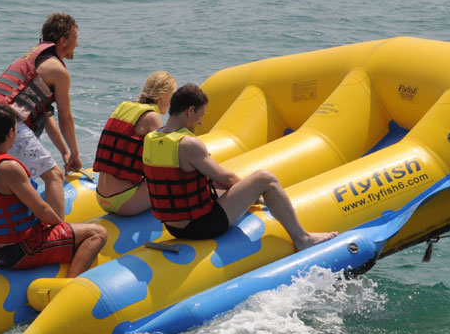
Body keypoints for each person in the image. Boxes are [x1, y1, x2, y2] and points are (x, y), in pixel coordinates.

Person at [142, 84, 338, 250]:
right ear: (190, 111)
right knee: (265, 179)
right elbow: (227, 180)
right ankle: (302, 238)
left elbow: (178, 181)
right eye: (201, 115)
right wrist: (252, 194)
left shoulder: (151, 139)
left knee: (221, 186)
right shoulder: (188, 144)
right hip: (201, 227)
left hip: (173, 227)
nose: (201, 122)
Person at [0, 104, 107, 276]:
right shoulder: (9, 168)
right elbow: (42, 210)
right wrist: (63, 229)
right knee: (98, 233)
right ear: (11, 132)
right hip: (20, 251)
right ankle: (71, 284)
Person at [0, 12, 82, 220]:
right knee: (54, 176)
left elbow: (46, 115)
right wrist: (76, 154)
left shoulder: (35, 58)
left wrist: (65, 153)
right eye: (75, 38)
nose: (77, 44)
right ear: (63, 40)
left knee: (18, 177)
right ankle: (60, 237)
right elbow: (65, 117)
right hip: (6, 121)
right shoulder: (58, 71)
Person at [92, 71, 176, 216]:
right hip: (125, 201)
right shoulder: (152, 116)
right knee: (172, 180)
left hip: (100, 198)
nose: (171, 104)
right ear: (162, 98)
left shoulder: (124, 107)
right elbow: (163, 159)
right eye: (171, 98)